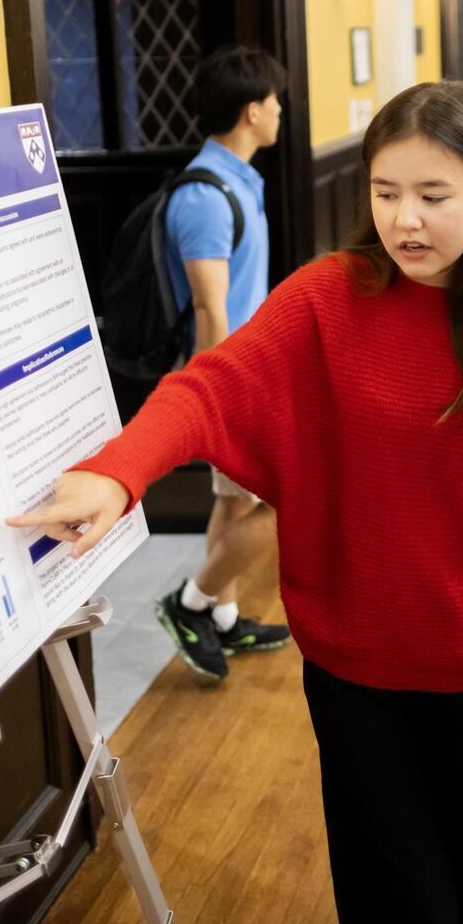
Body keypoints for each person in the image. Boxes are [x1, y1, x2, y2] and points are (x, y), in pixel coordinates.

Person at [11, 81, 463, 924]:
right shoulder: (328, 298)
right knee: (399, 914)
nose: (406, 220)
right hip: (357, 676)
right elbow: (208, 388)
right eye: (385, 192)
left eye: (434, 197)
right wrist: (117, 474)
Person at [146, 46, 294, 680]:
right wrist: (218, 406)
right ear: (252, 111)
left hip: (251, 374)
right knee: (285, 504)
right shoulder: (206, 197)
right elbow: (210, 311)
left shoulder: (237, 180)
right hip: (231, 384)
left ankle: (224, 622)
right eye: (275, 102)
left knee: (235, 507)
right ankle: (191, 603)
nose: (282, 111)